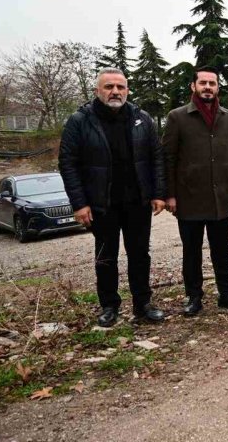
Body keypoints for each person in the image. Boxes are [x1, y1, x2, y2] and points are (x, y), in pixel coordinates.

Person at [58, 68, 166, 327]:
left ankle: (143, 304)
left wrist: (158, 193)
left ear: (127, 90)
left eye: (120, 87)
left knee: (140, 254)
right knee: (106, 257)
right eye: (109, 87)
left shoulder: (142, 118)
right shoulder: (80, 120)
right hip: (101, 204)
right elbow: (68, 163)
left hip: (137, 202)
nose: (115, 92)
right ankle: (109, 306)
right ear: (97, 91)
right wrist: (79, 203)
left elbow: (156, 157)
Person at [162, 66, 228, 316]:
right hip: (189, 199)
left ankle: (227, 294)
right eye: (203, 83)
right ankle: (194, 297)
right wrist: (170, 194)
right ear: (193, 86)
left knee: (222, 250)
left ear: (218, 87)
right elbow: (168, 158)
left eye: (212, 83)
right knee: (192, 251)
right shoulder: (177, 117)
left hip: (220, 198)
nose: (208, 87)